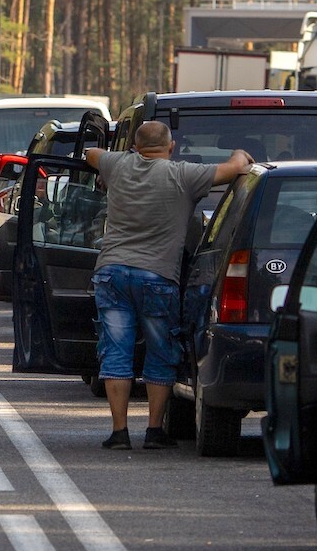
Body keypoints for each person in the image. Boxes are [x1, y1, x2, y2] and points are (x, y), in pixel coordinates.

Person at [84, 121, 252, 449]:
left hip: (112, 273)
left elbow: (91, 153)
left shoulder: (117, 165)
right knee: (160, 354)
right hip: (157, 277)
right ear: (171, 147)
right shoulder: (184, 175)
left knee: (115, 352)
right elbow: (235, 169)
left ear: (134, 145)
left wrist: (113, 162)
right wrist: (239, 150)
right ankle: (154, 431)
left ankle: (119, 432)